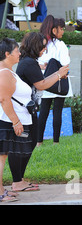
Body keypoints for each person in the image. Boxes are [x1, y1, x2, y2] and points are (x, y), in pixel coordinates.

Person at [11, 32, 68, 192]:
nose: (44, 49)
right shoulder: (28, 63)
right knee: (22, 144)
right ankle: (17, 182)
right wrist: (59, 74)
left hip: (27, 109)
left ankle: (20, 179)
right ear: (35, 46)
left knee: (29, 142)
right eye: (42, 46)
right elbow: (42, 84)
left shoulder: (29, 62)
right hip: (22, 110)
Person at [0, 38, 32, 203]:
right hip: (5, 120)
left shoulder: (8, 71)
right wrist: (16, 122)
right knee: (1, 157)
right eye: (16, 51)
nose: (19, 53)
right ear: (7, 54)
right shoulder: (4, 73)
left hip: (7, 120)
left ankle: (1, 190)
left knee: (3, 156)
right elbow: (4, 99)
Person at [37, 16, 72, 146]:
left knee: (44, 111)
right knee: (58, 111)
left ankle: (39, 142)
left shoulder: (40, 43)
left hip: (44, 81)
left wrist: (42, 66)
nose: (63, 31)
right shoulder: (60, 45)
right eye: (61, 29)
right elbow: (65, 63)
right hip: (58, 81)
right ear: (53, 30)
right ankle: (56, 142)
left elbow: (36, 61)